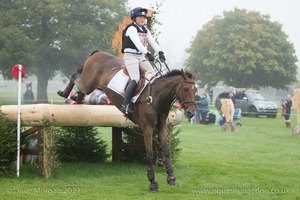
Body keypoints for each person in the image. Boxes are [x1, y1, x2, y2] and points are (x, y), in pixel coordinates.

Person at [121, 7, 166, 114]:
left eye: (143, 17)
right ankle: (125, 105)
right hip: (130, 56)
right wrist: (147, 53)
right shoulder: (131, 28)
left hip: (140, 56)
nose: (142, 19)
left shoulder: (146, 30)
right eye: (140, 17)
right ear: (134, 18)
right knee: (135, 79)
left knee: (153, 76)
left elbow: (153, 42)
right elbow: (137, 43)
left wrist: (160, 52)